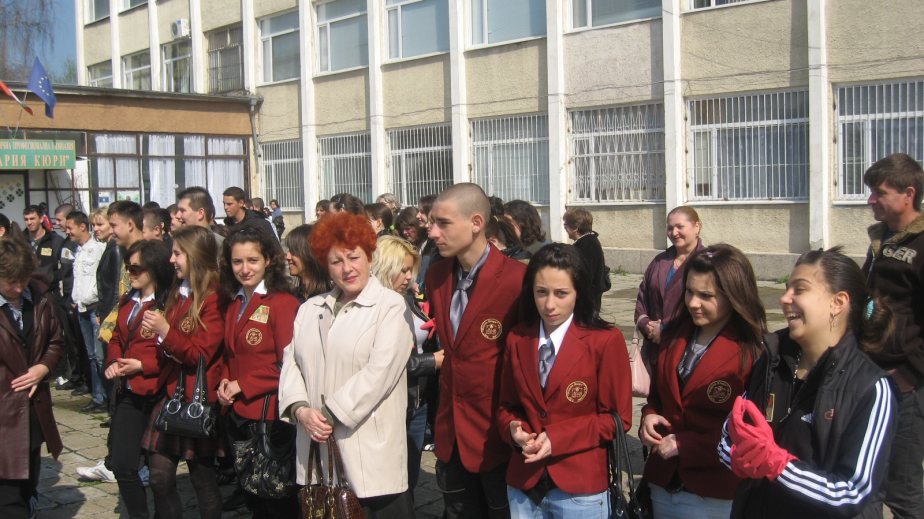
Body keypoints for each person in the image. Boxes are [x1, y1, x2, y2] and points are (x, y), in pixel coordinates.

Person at [719, 247, 899, 518]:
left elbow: (852, 492)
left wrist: (778, 465)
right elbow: (725, 439)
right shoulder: (770, 361)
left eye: (799, 290)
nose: (784, 298)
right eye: (786, 289)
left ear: (838, 302)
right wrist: (738, 456)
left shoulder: (870, 387)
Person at [279, 212, 415, 518]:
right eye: (336, 261)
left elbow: (380, 372)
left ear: (369, 258)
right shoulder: (310, 309)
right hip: (318, 448)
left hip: (370, 449)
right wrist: (300, 409)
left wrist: (329, 414)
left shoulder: (390, 306)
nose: (347, 268)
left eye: (353, 257)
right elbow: (292, 362)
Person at [496, 244, 632, 519]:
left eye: (561, 293)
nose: (549, 305)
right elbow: (506, 406)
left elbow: (617, 419)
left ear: (578, 292)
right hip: (525, 484)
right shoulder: (518, 338)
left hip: (580, 488)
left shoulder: (605, 340)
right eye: (541, 292)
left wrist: (557, 438)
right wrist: (514, 431)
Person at [640, 245, 766, 518]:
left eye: (706, 295)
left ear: (734, 295)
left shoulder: (753, 352)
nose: (693, 303)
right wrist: (649, 416)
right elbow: (658, 397)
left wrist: (687, 446)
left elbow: (751, 431)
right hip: (662, 481)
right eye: (689, 292)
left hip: (714, 489)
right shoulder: (672, 335)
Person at [426, 183, 527, 519]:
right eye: (432, 222)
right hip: (451, 432)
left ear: (476, 223)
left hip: (495, 435)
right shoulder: (437, 275)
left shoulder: (517, 279)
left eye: (443, 223)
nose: (433, 232)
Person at [139, 226, 226, 519]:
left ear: (194, 255)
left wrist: (166, 331)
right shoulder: (179, 292)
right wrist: (161, 340)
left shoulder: (215, 297)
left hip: (197, 399)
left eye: (177, 253)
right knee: (158, 478)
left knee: (202, 479)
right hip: (171, 393)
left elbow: (199, 356)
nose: (171, 260)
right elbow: (172, 348)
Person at [217, 228, 300, 518]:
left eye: (252, 260)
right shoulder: (236, 300)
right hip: (239, 413)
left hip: (270, 416)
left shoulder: (282, 302)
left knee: (276, 499)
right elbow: (231, 353)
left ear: (268, 260)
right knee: (254, 498)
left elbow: (288, 363)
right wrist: (225, 381)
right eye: (237, 261)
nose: (245, 269)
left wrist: (243, 383)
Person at [860, 153, 924, 518]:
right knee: (866, 481)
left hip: (906, 385)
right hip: (872, 376)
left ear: (908, 194)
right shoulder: (883, 239)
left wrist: (910, 375)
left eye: (879, 192)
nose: (871, 200)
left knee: (902, 492)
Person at [103, 239, 174, 519]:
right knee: (122, 465)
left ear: (154, 269)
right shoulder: (127, 300)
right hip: (129, 393)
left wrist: (142, 365)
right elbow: (116, 338)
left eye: (136, 268)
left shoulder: (168, 303)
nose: (130, 273)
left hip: (158, 393)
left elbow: (173, 350)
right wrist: (113, 362)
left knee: (161, 477)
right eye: (128, 267)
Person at [371, 235, 444, 495]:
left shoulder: (406, 297)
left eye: (410, 270)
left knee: (410, 477)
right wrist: (432, 361)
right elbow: (384, 363)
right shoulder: (374, 306)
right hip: (393, 404)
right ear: (385, 267)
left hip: (418, 402)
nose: (409, 277)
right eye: (403, 270)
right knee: (392, 481)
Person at [0, 237, 65, 519]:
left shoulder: (39, 296)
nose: (18, 288)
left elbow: (56, 340)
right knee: (8, 494)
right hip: (3, 414)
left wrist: (44, 367)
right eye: (10, 282)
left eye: (22, 280)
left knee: (28, 482)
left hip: (33, 410)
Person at [635, 206, 705, 353]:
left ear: (697, 227)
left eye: (680, 227)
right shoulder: (659, 261)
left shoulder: (707, 263)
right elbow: (643, 296)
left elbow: (707, 306)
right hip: (654, 348)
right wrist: (646, 324)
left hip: (687, 347)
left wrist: (665, 328)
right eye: (670, 228)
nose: (674, 233)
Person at [64, 211, 108, 413]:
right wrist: (75, 298)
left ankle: (106, 397)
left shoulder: (98, 248)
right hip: (81, 308)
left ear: (82, 227)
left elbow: (101, 279)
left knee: (100, 356)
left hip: (94, 308)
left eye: (70, 227)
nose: (67, 231)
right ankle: (97, 396)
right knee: (91, 356)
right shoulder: (78, 250)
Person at [563, 208, 607, 309]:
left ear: (575, 228)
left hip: (586, 301)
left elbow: (584, 276)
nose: (565, 228)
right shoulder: (590, 241)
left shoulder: (585, 246)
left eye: (566, 224)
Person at [283, 224, 331, 302]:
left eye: (293, 251)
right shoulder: (291, 298)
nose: (287, 257)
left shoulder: (331, 297)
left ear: (309, 253)